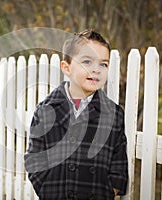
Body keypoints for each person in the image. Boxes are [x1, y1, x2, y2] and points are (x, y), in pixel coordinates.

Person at [24, 29, 128, 200]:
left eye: (103, 64)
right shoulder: (45, 110)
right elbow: (35, 158)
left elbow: (118, 165)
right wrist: (46, 189)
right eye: (87, 62)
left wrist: (110, 191)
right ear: (67, 68)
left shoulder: (113, 114)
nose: (96, 69)